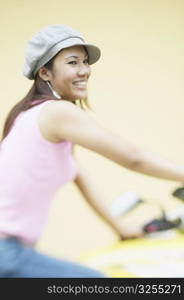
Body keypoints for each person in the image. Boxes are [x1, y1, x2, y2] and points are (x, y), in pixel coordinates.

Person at [0, 24, 184, 278]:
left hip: (13, 251)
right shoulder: (56, 112)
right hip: (7, 253)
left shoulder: (28, 115)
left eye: (85, 62)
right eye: (73, 62)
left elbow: (78, 175)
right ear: (45, 72)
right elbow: (133, 157)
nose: (84, 71)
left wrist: (119, 226)